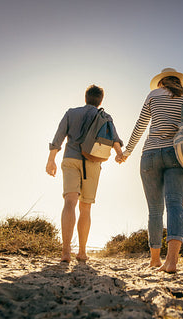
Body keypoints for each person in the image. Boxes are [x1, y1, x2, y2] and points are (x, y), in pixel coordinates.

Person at [118, 68, 183, 273]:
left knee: (154, 210)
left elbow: (140, 125)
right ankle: (172, 262)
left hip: (150, 155)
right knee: (175, 204)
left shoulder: (153, 95)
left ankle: (154, 260)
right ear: (178, 82)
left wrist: (127, 152)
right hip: (178, 154)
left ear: (161, 83)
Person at [46, 85, 123, 263]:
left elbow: (58, 136)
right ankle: (82, 252)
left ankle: (66, 252)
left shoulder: (71, 113)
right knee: (85, 208)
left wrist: (51, 160)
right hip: (92, 163)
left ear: (86, 97)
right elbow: (114, 139)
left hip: (71, 159)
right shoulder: (105, 116)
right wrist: (119, 154)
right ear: (101, 100)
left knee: (69, 203)